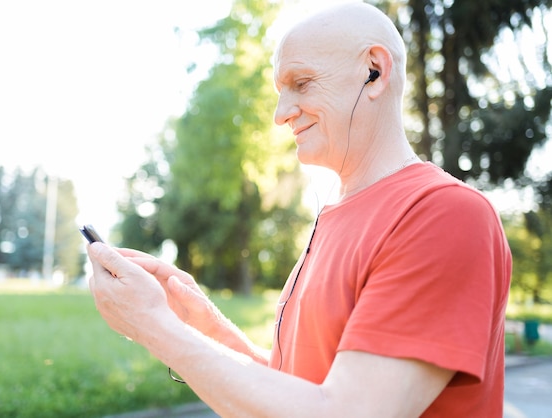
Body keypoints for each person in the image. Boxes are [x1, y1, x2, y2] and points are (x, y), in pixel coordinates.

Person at [85, 2, 512, 416]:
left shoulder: (442, 215)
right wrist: (200, 324)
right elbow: (300, 393)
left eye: (301, 83)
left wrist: (157, 328)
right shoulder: (335, 214)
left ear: (374, 71)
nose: (280, 114)